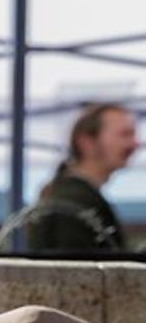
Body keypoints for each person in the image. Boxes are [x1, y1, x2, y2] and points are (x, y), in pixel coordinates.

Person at [26, 102, 138, 254]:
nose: (135, 143)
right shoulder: (76, 201)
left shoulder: (67, 193)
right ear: (87, 142)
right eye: (125, 134)